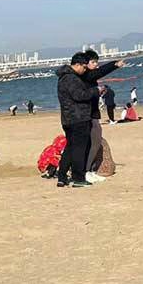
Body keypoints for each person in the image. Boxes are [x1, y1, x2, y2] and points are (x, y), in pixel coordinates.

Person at [55, 53, 99, 188]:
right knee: (79, 149)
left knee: (70, 147)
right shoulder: (72, 78)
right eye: (84, 67)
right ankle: (78, 178)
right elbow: (79, 95)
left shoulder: (63, 77)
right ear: (77, 65)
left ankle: (62, 176)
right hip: (78, 118)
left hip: (68, 118)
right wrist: (96, 91)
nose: (85, 70)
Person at [81, 50, 124, 182]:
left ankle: (88, 170)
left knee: (94, 142)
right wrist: (114, 64)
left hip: (92, 113)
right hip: (88, 114)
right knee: (94, 142)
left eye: (97, 62)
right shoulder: (86, 75)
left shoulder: (88, 76)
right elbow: (99, 72)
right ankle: (86, 171)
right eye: (93, 62)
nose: (96, 65)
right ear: (85, 63)